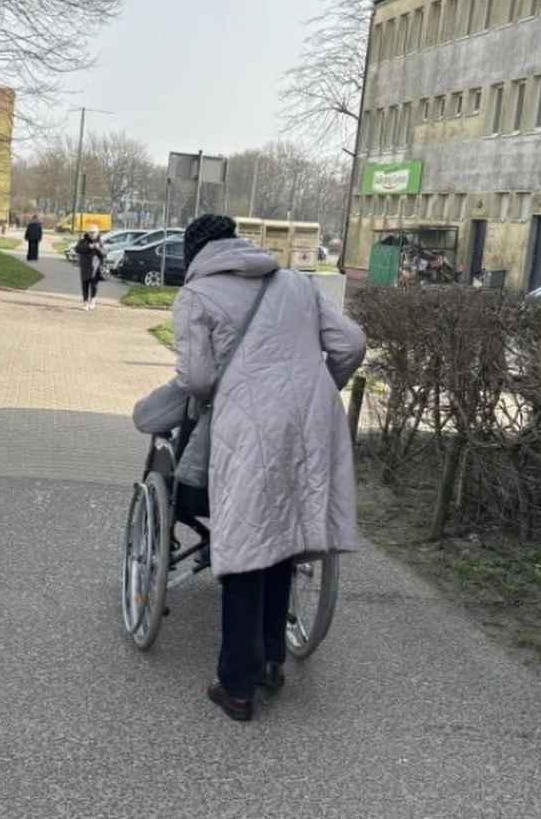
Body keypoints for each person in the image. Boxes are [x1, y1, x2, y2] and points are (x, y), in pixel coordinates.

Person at [132, 214, 366, 722]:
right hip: (310, 423)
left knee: (247, 543)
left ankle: (238, 685)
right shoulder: (295, 284)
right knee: (280, 538)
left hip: (248, 427)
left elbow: (195, 379)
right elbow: (350, 345)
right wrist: (314, 387)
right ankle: (271, 661)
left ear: (196, 254)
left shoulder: (197, 295)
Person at [74, 225, 106, 311]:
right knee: (85, 285)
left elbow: (104, 254)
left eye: (94, 232)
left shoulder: (100, 242)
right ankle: (85, 302)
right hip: (84, 267)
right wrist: (89, 247)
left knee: (94, 286)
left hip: (95, 267)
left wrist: (98, 248)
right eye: (90, 232)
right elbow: (77, 249)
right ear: (87, 233)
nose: (92, 234)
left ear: (98, 233)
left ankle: (92, 300)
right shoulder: (83, 241)